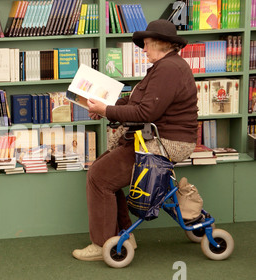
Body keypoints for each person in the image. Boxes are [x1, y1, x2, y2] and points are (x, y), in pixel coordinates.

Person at [72, 19, 198, 261]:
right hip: (156, 137)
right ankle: (122, 235)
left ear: (162, 44)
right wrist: (105, 106)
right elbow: (137, 103)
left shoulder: (169, 69)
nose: (144, 49)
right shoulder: (166, 67)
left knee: (99, 177)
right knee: (103, 173)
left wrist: (107, 110)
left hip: (164, 142)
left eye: (147, 44)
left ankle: (102, 244)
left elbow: (145, 113)